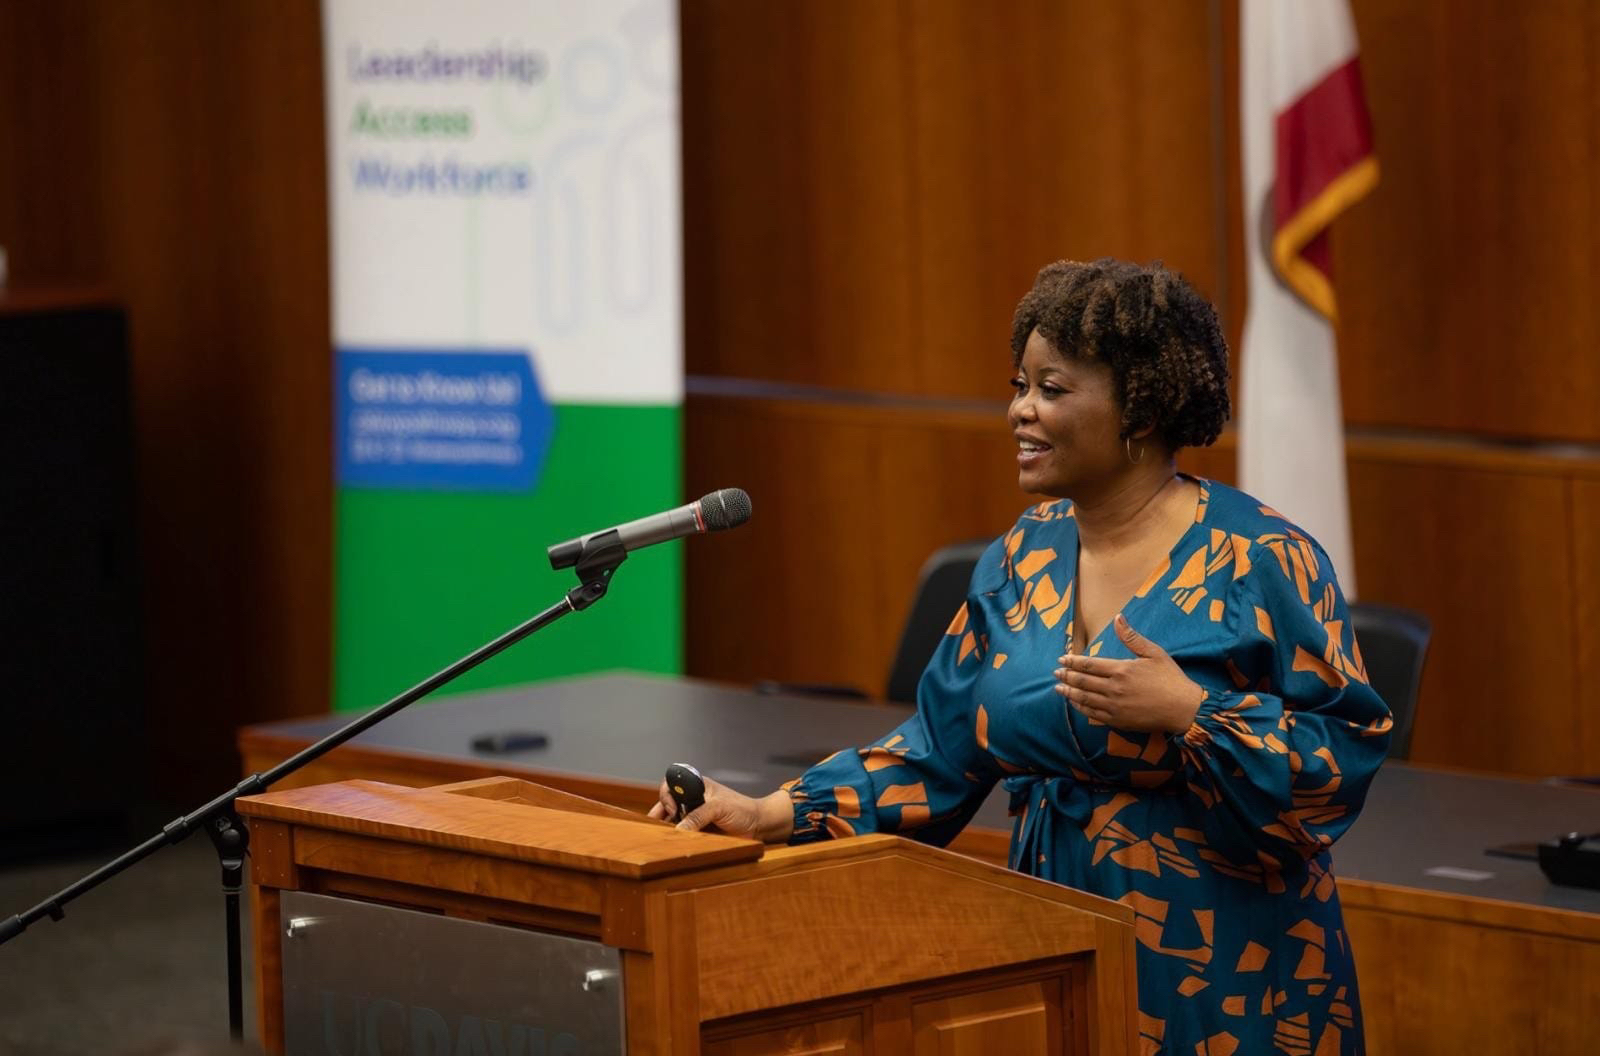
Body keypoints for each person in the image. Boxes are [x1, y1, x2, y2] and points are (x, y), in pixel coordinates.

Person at [650, 258, 1392, 1055]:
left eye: (1052, 389)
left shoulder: (1264, 558)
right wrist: (771, 812)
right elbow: (939, 754)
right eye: (1019, 385)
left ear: (1139, 409)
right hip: (1051, 952)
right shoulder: (1021, 558)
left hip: (1226, 978)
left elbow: (1338, 763)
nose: (1019, 412)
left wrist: (1192, 715)